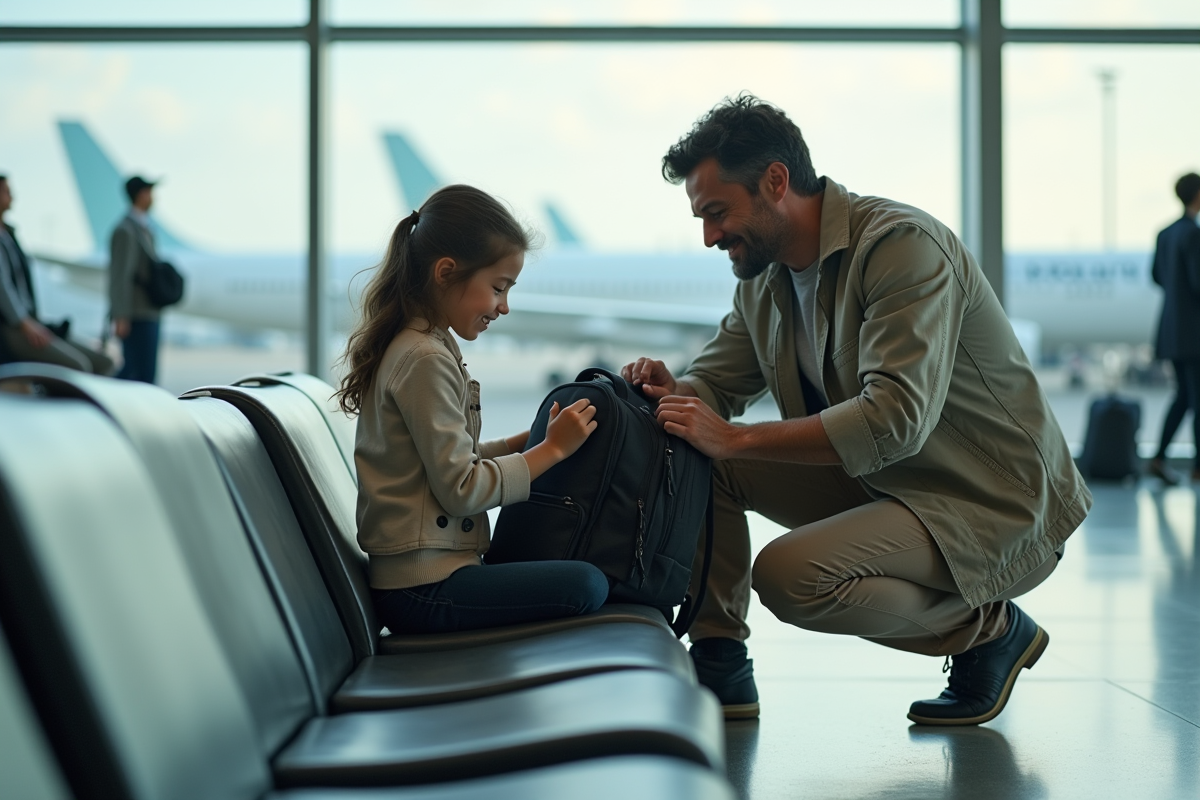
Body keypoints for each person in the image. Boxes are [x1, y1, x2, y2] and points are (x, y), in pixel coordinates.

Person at [622, 95, 1092, 724]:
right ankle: (718, 662)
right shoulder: (764, 281)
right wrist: (672, 392)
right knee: (698, 454)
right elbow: (716, 380)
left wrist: (735, 438)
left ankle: (992, 631)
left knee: (790, 574)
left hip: (986, 500)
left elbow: (894, 417)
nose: (709, 236)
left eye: (716, 212)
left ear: (775, 182)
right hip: (885, 483)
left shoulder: (901, 247)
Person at [335, 184, 609, 634]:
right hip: (421, 591)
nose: (504, 306)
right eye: (498, 288)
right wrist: (552, 452)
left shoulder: (426, 344)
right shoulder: (424, 358)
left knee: (577, 573)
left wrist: (529, 440)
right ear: (446, 272)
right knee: (587, 584)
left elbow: (451, 459)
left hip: (428, 579)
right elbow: (461, 488)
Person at [0, 174, 113, 374]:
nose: (13, 197)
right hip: (12, 328)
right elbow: (3, 288)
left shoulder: (9, 234)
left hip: (31, 321)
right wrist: (24, 324)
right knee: (78, 367)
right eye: (6, 192)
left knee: (104, 363)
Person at [1145, 172, 1200, 486]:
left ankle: (1158, 457)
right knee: (1196, 399)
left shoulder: (1164, 233)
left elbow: (1156, 276)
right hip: (1194, 333)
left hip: (1171, 329)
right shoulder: (1193, 233)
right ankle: (1197, 467)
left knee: (1184, 396)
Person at [109, 175, 163, 383]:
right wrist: (121, 315)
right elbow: (120, 274)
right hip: (135, 312)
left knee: (146, 371)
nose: (153, 198)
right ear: (141, 195)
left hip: (148, 310)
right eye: (149, 192)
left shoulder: (144, 227)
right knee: (135, 370)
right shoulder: (126, 230)